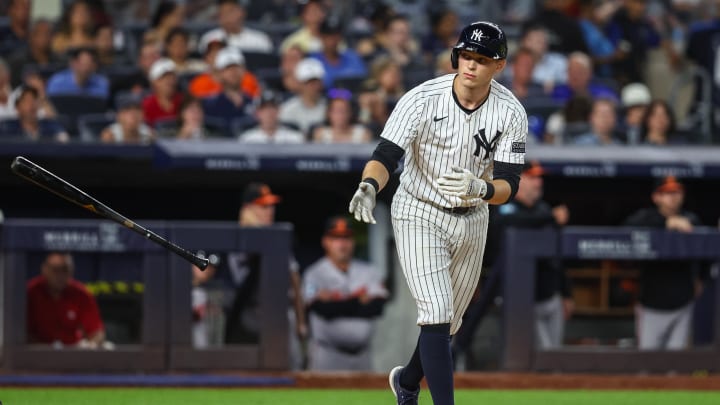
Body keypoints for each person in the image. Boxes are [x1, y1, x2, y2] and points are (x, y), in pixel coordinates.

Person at [349, 21, 527, 404]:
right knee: (437, 312)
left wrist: (482, 188)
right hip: (419, 209)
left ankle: (408, 382)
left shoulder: (511, 112)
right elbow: (384, 157)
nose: (471, 65)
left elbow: (510, 186)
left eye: (482, 59)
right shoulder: (420, 98)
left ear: (499, 65)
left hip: (474, 215)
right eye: (466, 55)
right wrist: (368, 185)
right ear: (455, 55)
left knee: (446, 327)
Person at [192, 183, 307, 368]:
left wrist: (302, 323)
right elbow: (198, 278)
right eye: (263, 206)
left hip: (274, 315)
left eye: (271, 206)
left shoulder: (279, 237)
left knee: (288, 369)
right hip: (240, 315)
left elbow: (295, 283)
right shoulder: (227, 238)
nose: (270, 211)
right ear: (247, 209)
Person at [623, 176, 704, 350]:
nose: (673, 196)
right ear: (656, 197)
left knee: (677, 363)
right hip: (652, 304)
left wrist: (700, 278)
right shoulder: (646, 217)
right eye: (667, 193)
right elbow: (626, 229)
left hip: (683, 304)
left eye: (677, 192)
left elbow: (705, 253)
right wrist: (665, 222)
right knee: (647, 363)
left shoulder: (691, 220)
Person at [302, 216, 388, 371]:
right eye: (336, 238)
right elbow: (321, 309)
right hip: (327, 355)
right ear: (325, 241)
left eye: (347, 237)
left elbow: (377, 308)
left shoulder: (369, 271)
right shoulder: (314, 274)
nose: (342, 243)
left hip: (362, 356)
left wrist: (336, 302)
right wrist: (358, 301)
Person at [26, 252, 108, 349]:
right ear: (44, 270)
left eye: (65, 270)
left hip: (73, 353)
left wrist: (92, 345)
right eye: (55, 270)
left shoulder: (81, 293)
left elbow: (96, 331)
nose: (60, 275)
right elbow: (19, 332)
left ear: (71, 271)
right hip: (36, 353)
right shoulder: (30, 291)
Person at [238, 90, 305, 143]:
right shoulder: (247, 140)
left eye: (273, 107)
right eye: (264, 108)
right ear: (257, 113)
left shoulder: (295, 139)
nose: (269, 112)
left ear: (279, 111)